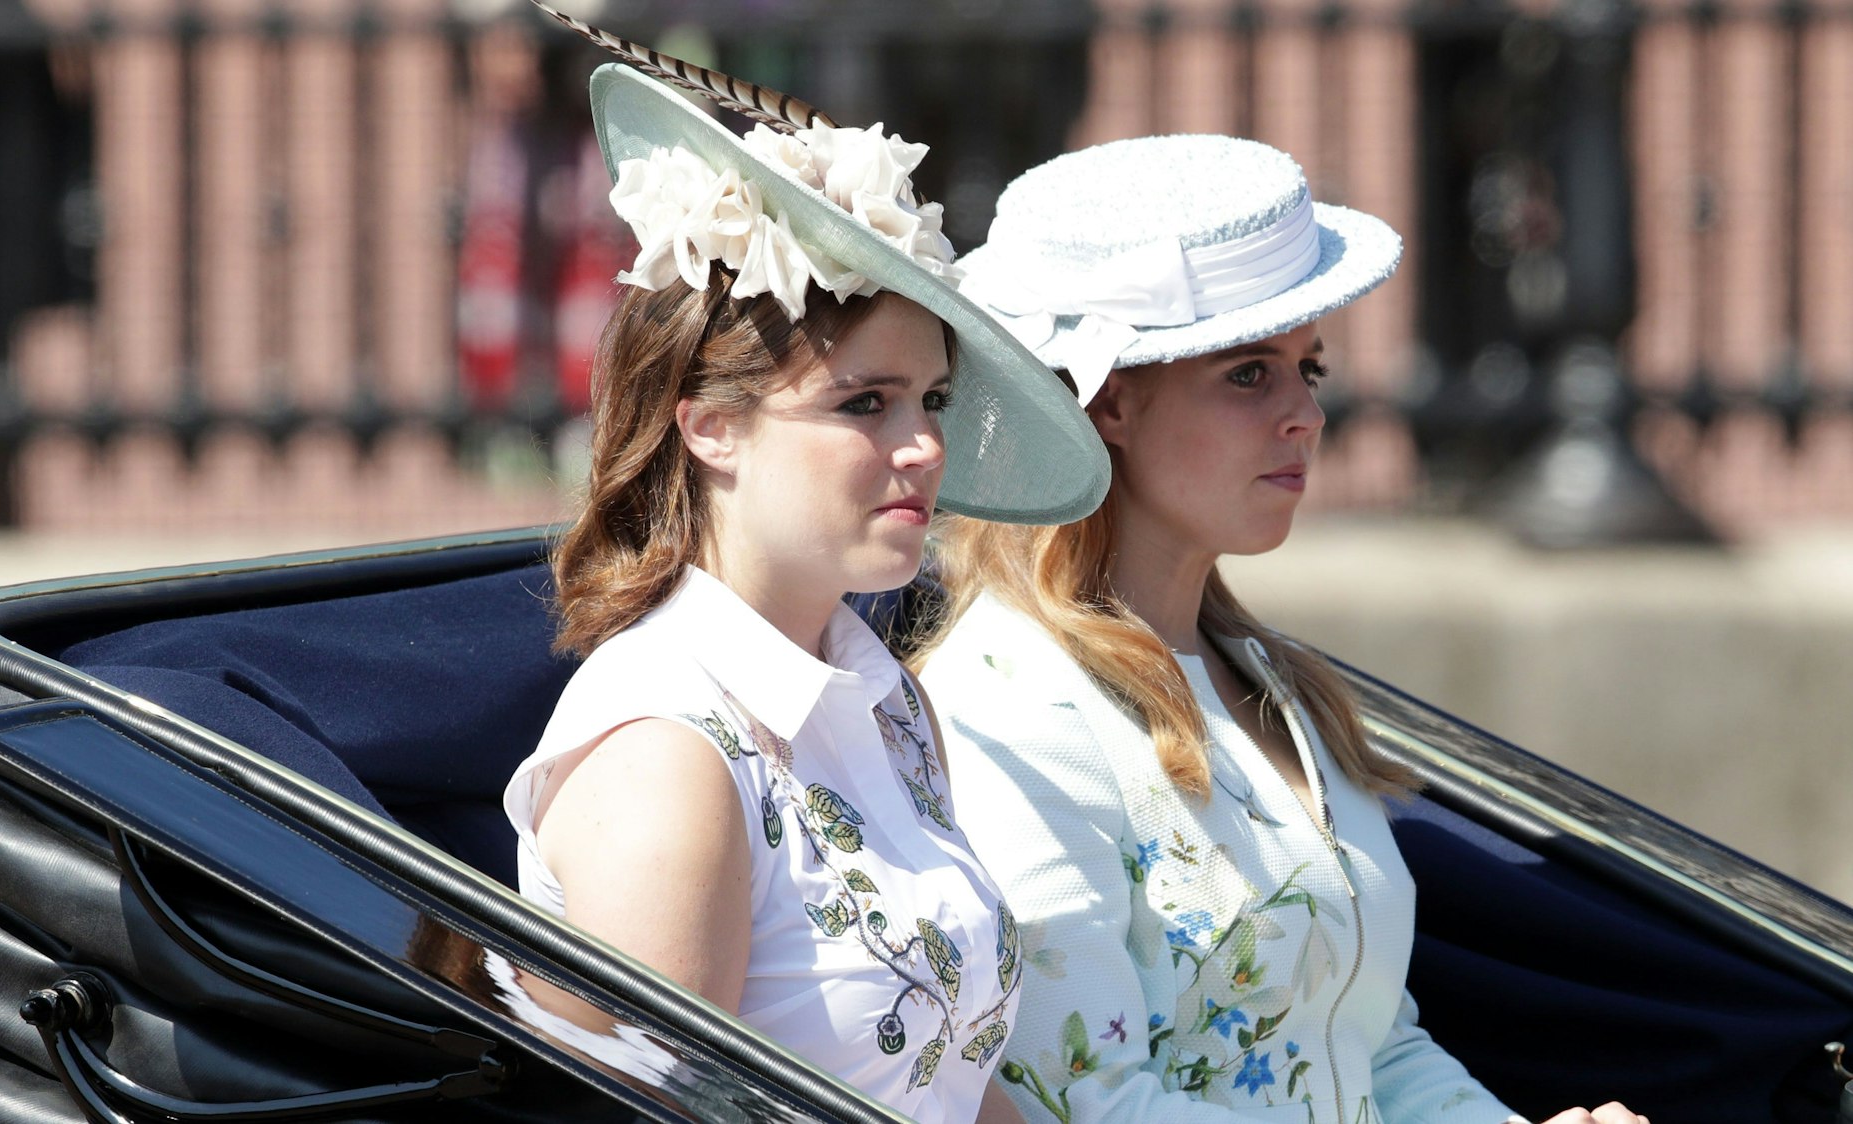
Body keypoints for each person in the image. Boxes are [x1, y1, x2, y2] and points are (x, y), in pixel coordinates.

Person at [916, 135, 1646, 1124]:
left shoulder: (1279, 685)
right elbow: (1083, 1101)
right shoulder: (1006, 704)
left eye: (1312, 367)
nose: (1306, 413)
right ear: (1111, 400)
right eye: (1249, 375)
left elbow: (1372, 1039)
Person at [500, 14, 1111, 1122]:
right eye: (862, 402)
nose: (923, 444)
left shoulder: (884, 692)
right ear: (710, 426)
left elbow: (959, 1084)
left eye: (930, 399)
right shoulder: (665, 754)